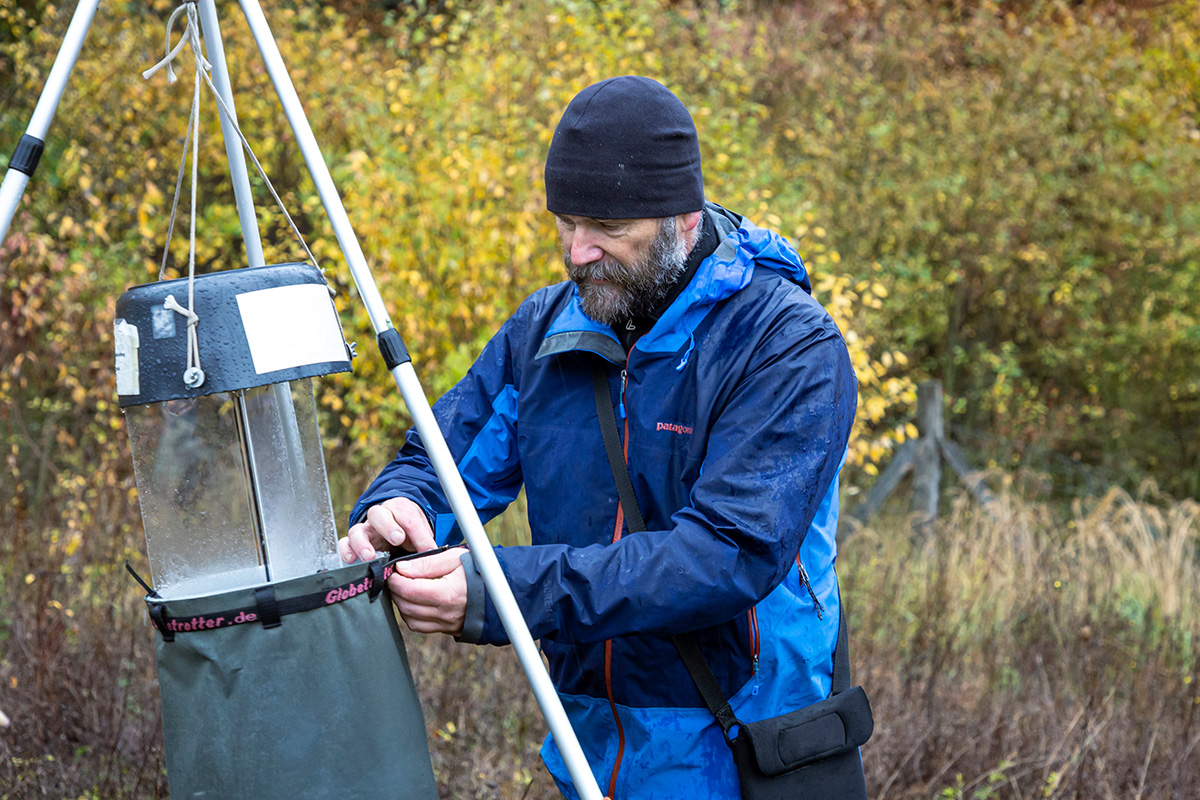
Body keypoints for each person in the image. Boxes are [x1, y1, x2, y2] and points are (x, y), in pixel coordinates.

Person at [340, 75, 858, 799]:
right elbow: (443, 458)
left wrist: (504, 594)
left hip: (749, 759)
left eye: (607, 229)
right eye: (566, 223)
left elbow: (723, 557)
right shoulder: (545, 330)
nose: (578, 253)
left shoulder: (787, 346)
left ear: (681, 217)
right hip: (590, 756)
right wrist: (396, 509)